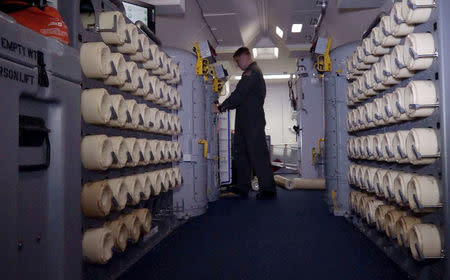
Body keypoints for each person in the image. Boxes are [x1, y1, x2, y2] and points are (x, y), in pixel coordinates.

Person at [215, 47, 277, 199]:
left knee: (258, 155)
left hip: (253, 122)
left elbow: (240, 94)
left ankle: (268, 190)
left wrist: (220, 107)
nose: (238, 64)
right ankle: (243, 187)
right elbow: (241, 97)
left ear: (246, 56)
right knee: (241, 154)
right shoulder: (249, 73)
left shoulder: (252, 71)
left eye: (238, 60)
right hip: (244, 122)